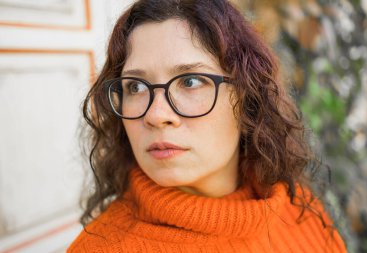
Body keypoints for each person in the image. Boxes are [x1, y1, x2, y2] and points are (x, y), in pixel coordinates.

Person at [68, 0, 347, 252]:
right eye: (136, 86)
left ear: (248, 96)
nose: (156, 115)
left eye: (190, 81)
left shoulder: (299, 210)